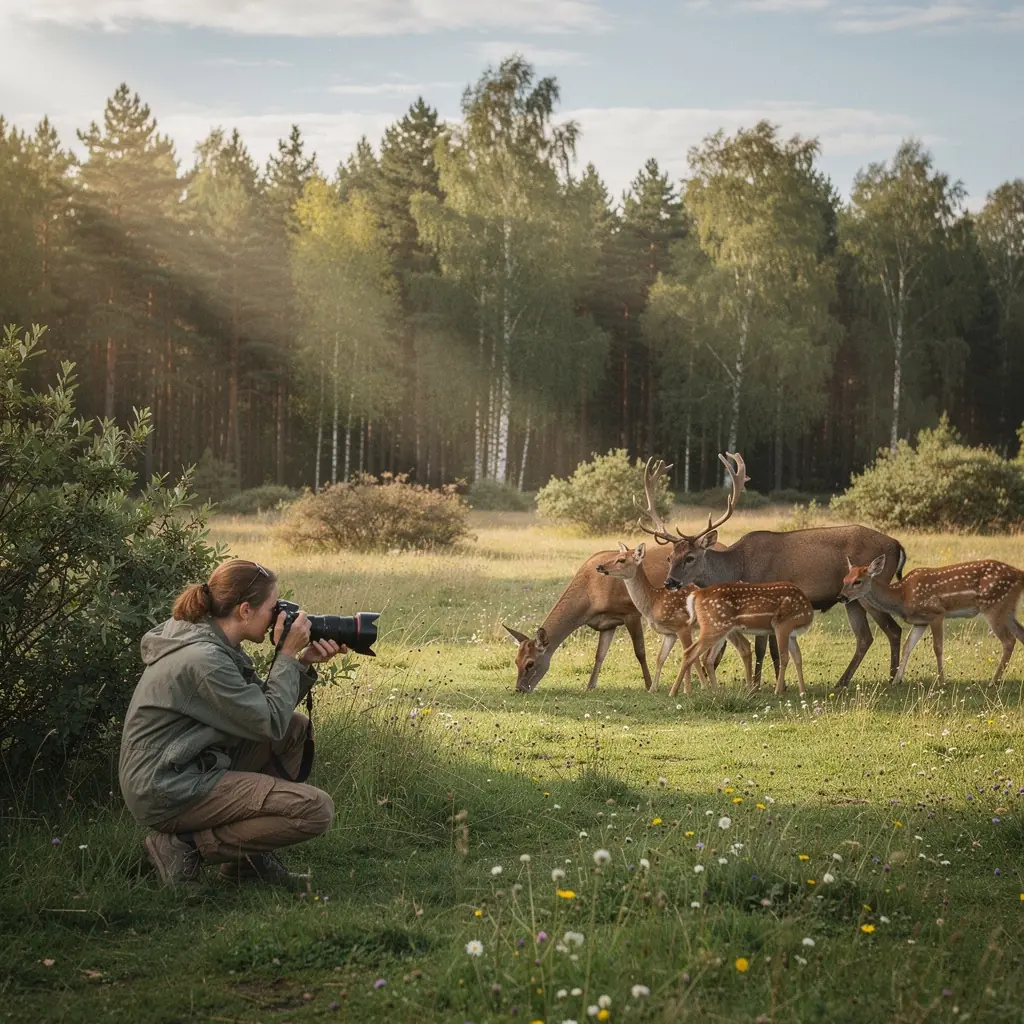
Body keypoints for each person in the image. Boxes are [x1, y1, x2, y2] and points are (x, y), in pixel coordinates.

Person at [119, 558, 345, 887]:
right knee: (314, 810)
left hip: (189, 762)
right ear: (244, 610)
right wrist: (284, 656)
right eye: (273, 607)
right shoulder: (205, 659)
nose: (279, 617)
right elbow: (266, 722)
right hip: (167, 786)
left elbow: (262, 715)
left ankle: (245, 865)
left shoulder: (212, 640)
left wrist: (301, 664)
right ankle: (183, 847)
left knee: (295, 730)